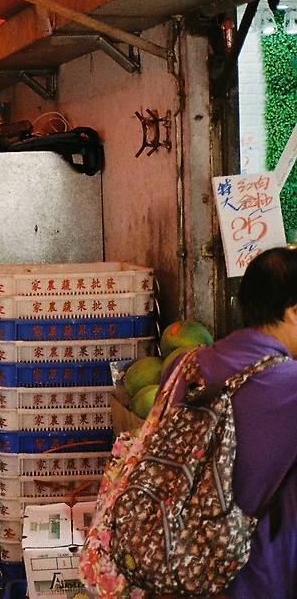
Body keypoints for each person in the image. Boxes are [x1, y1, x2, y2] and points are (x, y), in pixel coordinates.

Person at [156, 248, 297, 599]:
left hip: (175, 563)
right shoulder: (290, 384)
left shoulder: (182, 365)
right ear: (293, 312)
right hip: (251, 575)